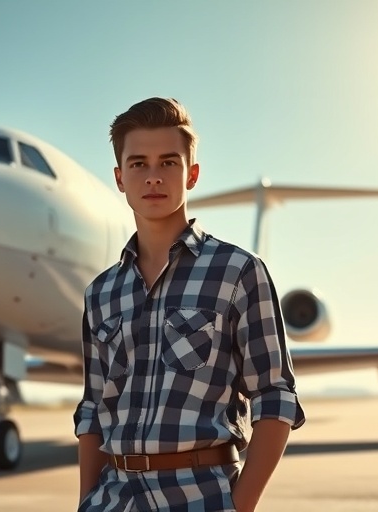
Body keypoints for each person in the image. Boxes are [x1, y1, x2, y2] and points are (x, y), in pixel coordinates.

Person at [73, 97, 305, 512]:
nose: (153, 177)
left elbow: (274, 398)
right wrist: (86, 502)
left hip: (200, 498)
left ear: (192, 174)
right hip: (111, 500)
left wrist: (240, 506)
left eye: (169, 163)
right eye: (138, 164)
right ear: (120, 177)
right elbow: (93, 409)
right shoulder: (101, 293)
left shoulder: (238, 272)